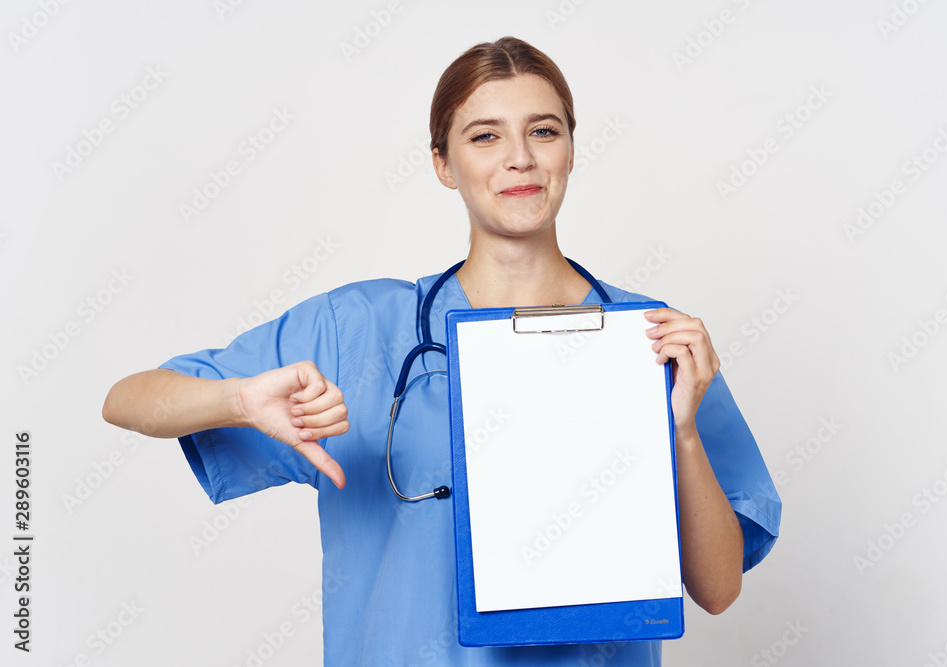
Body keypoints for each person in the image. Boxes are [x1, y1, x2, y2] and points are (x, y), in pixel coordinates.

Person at [103, 36, 780, 666]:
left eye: (543, 130)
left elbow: (717, 588)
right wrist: (240, 398)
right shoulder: (361, 328)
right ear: (443, 164)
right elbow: (128, 399)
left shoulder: (651, 339)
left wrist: (682, 430)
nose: (520, 157)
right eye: (485, 136)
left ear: (571, 150)